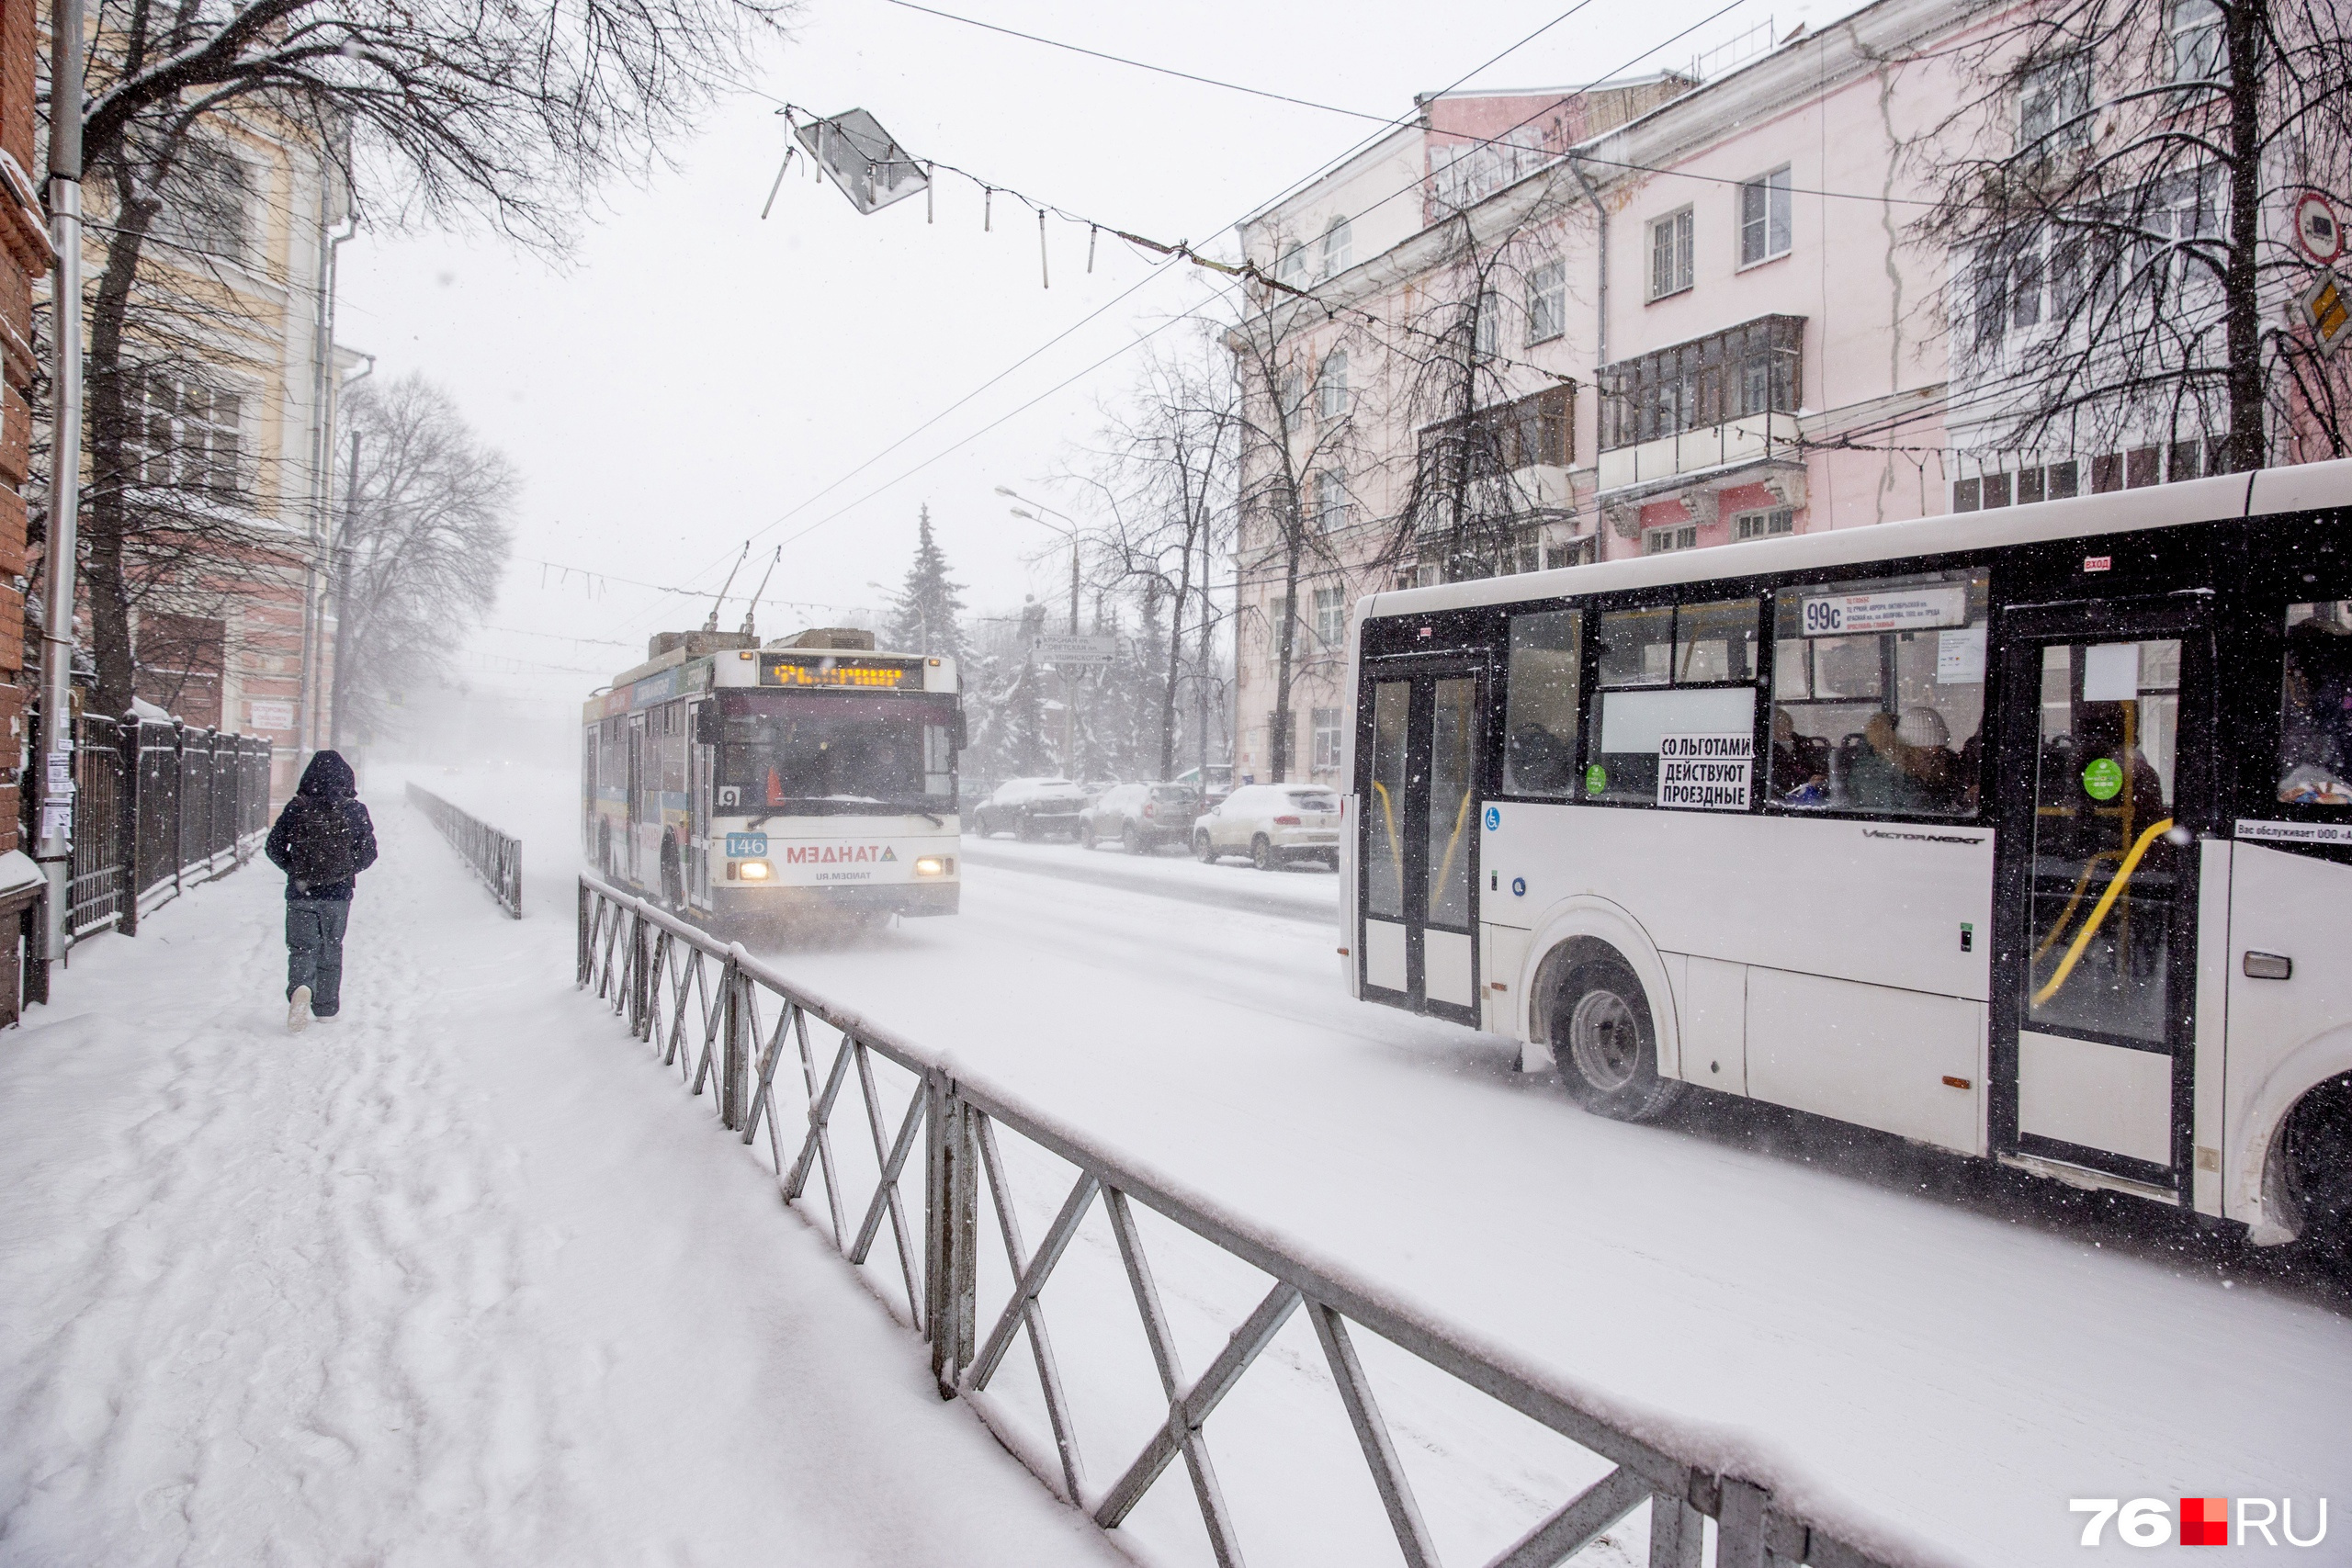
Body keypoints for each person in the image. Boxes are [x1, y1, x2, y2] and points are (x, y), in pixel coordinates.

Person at [264, 750, 379, 1032]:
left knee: (302, 948)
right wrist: (344, 870)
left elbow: (273, 847)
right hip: (338, 895)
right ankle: (326, 1009)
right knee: (331, 947)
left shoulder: (297, 806)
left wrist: (296, 870)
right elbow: (369, 853)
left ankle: (302, 987)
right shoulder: (354, 809)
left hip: (301, 892)